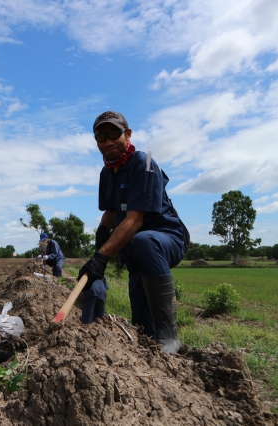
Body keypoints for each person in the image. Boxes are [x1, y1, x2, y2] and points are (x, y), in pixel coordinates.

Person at [78, 111, 188, 354]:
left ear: (127, 134)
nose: (107, 141)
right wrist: (102, 233)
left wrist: (102, 256)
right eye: (100, 137)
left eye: (114, 134)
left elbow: (134, 219)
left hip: (164, 239)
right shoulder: (107, 173)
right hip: (136, 250)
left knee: (143, 241)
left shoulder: (143, 164)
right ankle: (152, 352)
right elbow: (111, 211)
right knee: (142, 326)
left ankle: (169, 338)